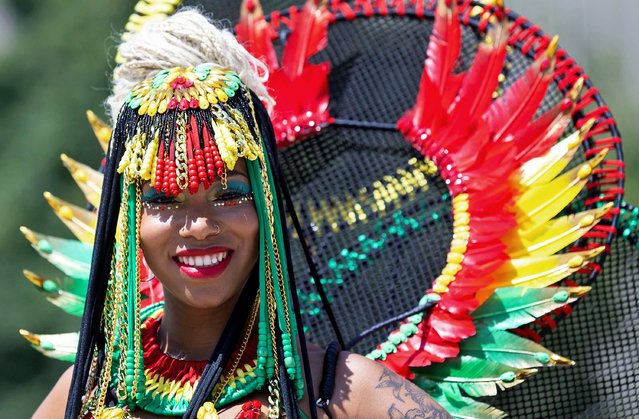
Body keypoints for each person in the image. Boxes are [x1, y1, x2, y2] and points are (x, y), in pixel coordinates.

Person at [33, 9, 451, 419]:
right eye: (163, 200)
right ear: (129, 222)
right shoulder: (82, 396)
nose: (198, 226)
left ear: (265, 204)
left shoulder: (348, 395)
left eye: (228, 195)